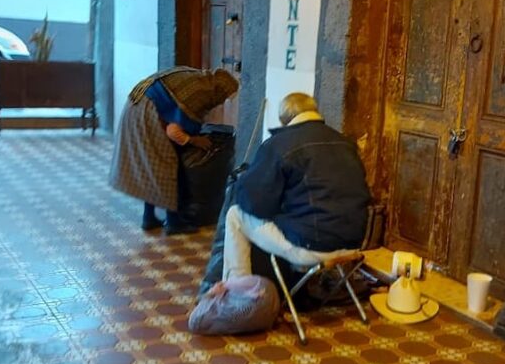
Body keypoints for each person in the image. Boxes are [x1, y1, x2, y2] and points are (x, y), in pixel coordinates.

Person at [220, 93, 371, 281]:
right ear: (314, 112)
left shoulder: (278, 144)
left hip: (312, 247)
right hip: (354, 244)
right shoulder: (346, 143)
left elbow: (253, 204)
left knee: (235, 215)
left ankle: (238, 290)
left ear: (284, 120)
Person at [110, 67, 239, 234]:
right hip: (146, 113)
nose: (223, 101)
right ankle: (174, 222)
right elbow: (173, 131)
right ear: (219, 90)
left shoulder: (201, 81)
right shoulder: (198, 95)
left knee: (152, 165)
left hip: (139, 105)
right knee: (169, 165)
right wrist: (194, 140)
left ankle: (148, 218)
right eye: (225, 97)